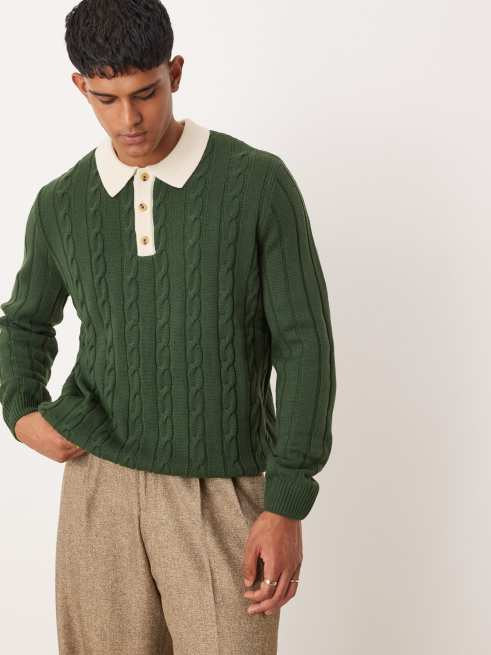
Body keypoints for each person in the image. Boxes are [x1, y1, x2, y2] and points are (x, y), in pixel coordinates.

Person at [0, 1, 336, 653]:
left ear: (174, 72)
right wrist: (20, 409)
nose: (129, 119)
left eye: (145, 93)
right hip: (99, 483)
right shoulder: (60, 203)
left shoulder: (256, 183)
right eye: (106, 99)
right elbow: (25, 322)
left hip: (223, 487)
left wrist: (286, 499)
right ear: (80, 87)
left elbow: (305, 346)